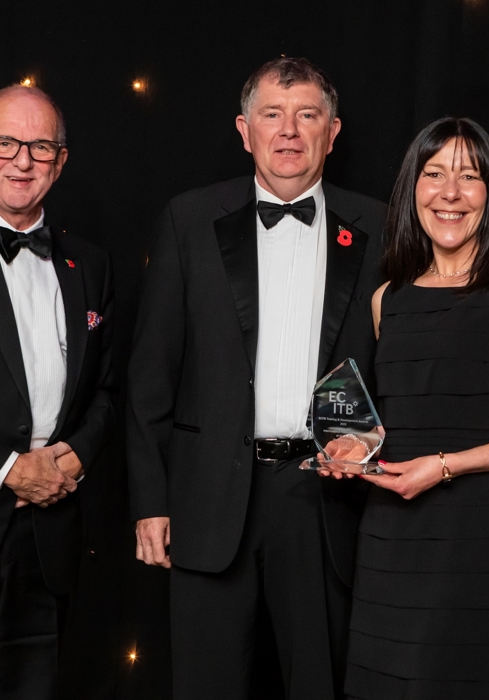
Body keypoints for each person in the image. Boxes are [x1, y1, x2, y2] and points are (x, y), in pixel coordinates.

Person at [126, 57, 386, 699]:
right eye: (272, 114)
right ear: (245, 130)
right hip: (208, 498)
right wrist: (150, 500)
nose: (289, 131)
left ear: (333, 131)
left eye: (308, 116)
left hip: (325, 500)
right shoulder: (189, 220)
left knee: (321, 684)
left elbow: (396, 364)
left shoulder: (380, 225)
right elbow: (151, 374)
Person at [328, 117, 489, 700]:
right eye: (433, 174)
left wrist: (445, 466)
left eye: (469, 177)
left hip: (473, 539)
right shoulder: (387, 297)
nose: (449, 192)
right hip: (387, 537)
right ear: (411, 188)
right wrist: (354, 448)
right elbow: (399, 419)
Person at [0, 85, 115, 698]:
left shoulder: (90, 265)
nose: (23, 160)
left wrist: (75, 453)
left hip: (52, 528)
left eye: (40, 147)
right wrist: (7, 468)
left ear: (61, 161)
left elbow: (106, 387)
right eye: (6, 143)